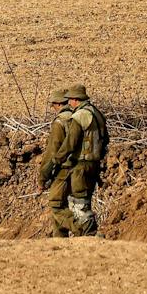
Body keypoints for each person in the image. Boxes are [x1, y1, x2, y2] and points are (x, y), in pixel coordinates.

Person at [62, 85, 109, 236]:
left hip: (81, 165)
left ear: (76, 100)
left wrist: (57, 160)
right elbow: (105, 139)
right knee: (86, 200)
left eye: (70, 100)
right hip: (95, 164)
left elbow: (70, 143)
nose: (69, 103)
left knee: (79, 203)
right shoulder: (96, 113)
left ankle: (89, 234)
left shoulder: (80, 116)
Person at [37, 88, 78, 237]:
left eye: (53, 105)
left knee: (56, 205)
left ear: (58, 104)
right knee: (67, 205)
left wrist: (42, 177)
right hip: (82, 169)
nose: (53, 108)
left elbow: (52, 153)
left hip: (65, 169)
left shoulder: (60, 122)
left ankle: (85, 231)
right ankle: (59, 242)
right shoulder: (78, 117)